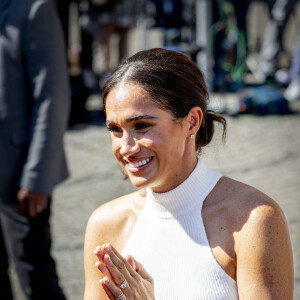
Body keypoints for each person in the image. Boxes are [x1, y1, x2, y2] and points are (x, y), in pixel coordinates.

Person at [83, 48, 294, 299]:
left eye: (142, 126)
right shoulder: (106, 224)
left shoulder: (252, 220)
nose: (126, 147)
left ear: (192, 121)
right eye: (115, 129)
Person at [0, 0, 70, 299]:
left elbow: (52, 96)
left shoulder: (34, 10)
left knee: (36, 277)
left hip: (19, 177)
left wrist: (37, 176)